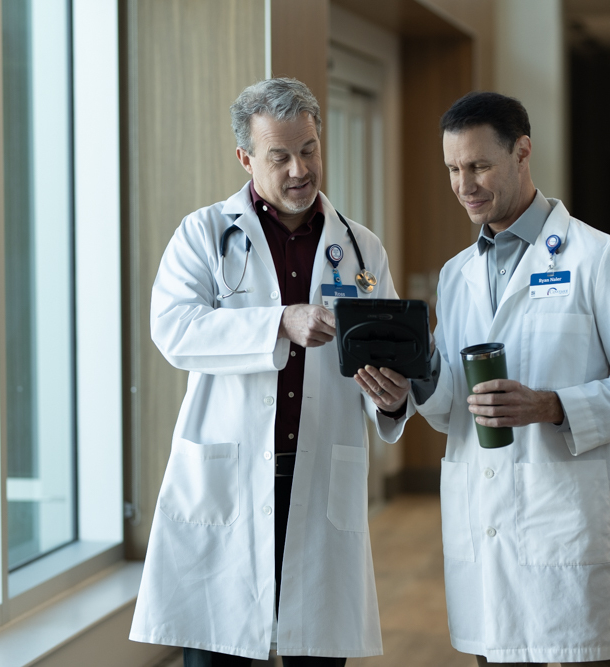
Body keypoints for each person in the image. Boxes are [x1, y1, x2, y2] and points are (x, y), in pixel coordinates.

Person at [129, 78, 413, 666]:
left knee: (317, 653)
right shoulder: (204, 234)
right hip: (229, 479)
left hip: (317, 475)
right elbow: (174, 329)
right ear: (245, 157)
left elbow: (383, 353)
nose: (299, 170)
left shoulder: (361, 250)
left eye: (308, 149)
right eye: (279, 156)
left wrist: (390, 399)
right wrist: (278, 323)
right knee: (218, 654)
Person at [410, 92, 610, 666]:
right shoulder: (457, 276)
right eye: (454, 169)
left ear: (523, 152)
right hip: (485, 516)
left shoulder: (598, 258)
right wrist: (414, 383)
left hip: (564, 514)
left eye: (480, 165)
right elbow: (452, 405)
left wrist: (553, 406)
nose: (465, 185)